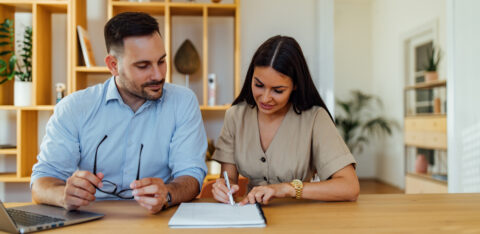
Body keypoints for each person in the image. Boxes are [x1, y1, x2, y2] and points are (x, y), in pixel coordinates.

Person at [31, 12, 207, 214]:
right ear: (113, 65)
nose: (158, 74)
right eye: (143, 66)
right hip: (91, 221)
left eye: (161, 61)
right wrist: (63, 195)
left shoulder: (183, 102)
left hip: (158, 219)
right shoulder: (74, 107)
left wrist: (167, 193)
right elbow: (41, 182)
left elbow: (191, 176)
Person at [211, 36, 359, 205]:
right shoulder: (235, 116)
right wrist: (224, 187)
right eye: (259, 85)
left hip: (300, 220)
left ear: (295, 85)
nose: (265, 98)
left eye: (278, 90)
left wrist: (286, 188)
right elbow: (229, 177)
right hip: (251, 217)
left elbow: (350, 187)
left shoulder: (315, 119)